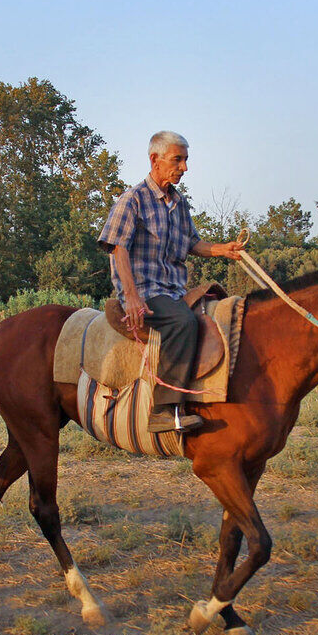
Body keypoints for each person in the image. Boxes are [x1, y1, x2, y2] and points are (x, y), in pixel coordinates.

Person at [97, 131, 244, 433]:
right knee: (183, 323)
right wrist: (132, 296)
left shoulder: (180, 204)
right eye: (178, 160)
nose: (184, 167)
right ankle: (163, 410)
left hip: (174, 291)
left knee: (219, 310)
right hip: (145, 291)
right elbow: (117, 246)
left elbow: (193, 243)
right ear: (155, 160)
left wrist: (222, 250)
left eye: (186, 160)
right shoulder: (133, 200)